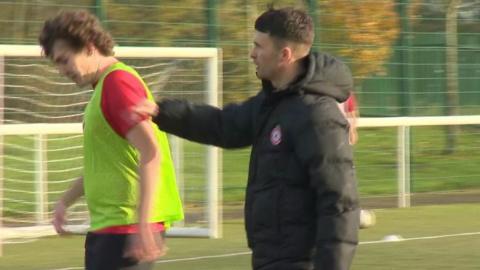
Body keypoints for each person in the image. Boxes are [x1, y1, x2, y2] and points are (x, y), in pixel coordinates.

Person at [133, 7, 359, 270]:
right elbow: (224, 125)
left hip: (299, 261)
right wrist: (163, 112)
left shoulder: (317, 115)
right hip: (270, 257)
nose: (252, 53)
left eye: (258, 46)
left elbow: (340, 202)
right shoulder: (272, 102)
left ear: (284, 55)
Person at [38, 10, 183, 270]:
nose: (61, 70)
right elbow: (105, 165)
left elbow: (150, 153)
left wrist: (142, 223)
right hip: (111, 228)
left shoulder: (118, 83)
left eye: (64, 60)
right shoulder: (104, 88)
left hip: (125, 230)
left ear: (90, 47)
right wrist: (65, 200)